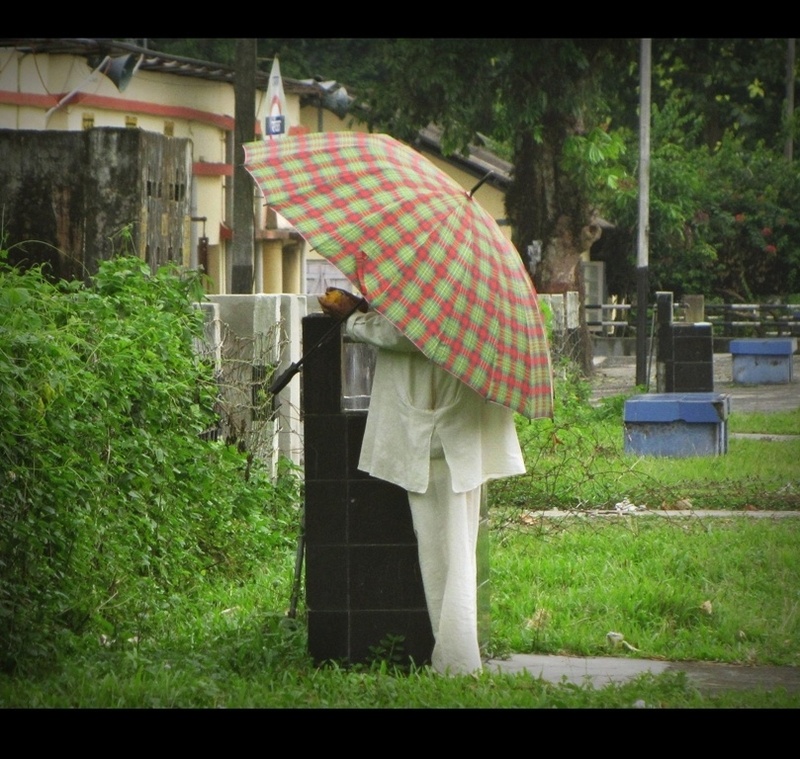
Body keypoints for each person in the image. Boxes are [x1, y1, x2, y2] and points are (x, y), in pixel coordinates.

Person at [318, 288, 526, 676]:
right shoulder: (472, 287)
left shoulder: (443, 292)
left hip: (438, 434)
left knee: (446, 556)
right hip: (454, 430)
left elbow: (410, 333)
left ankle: (458, 662)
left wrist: (353, 318)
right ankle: (456, 657)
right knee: (452, 551)